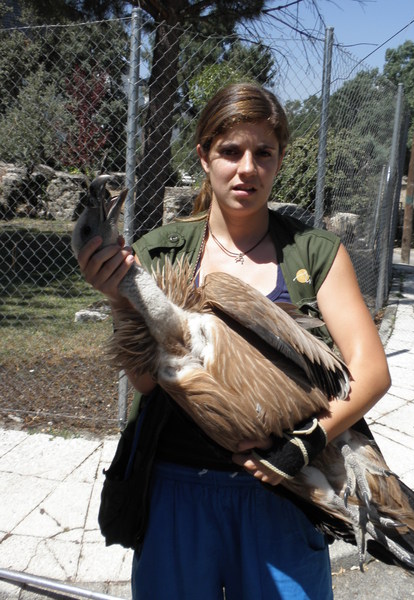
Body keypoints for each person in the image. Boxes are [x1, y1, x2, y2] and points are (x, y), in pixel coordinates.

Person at [78, 83, 391, 599]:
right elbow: (147, 385)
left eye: (263, 153)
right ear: (204, 156)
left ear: (279, 159)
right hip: (177, 488)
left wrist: (306, 443)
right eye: (230, 151)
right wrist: (118, 298)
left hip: (284, 493)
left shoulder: (314, 253)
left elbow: (372, 371)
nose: (247, 168)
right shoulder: (159, 253)